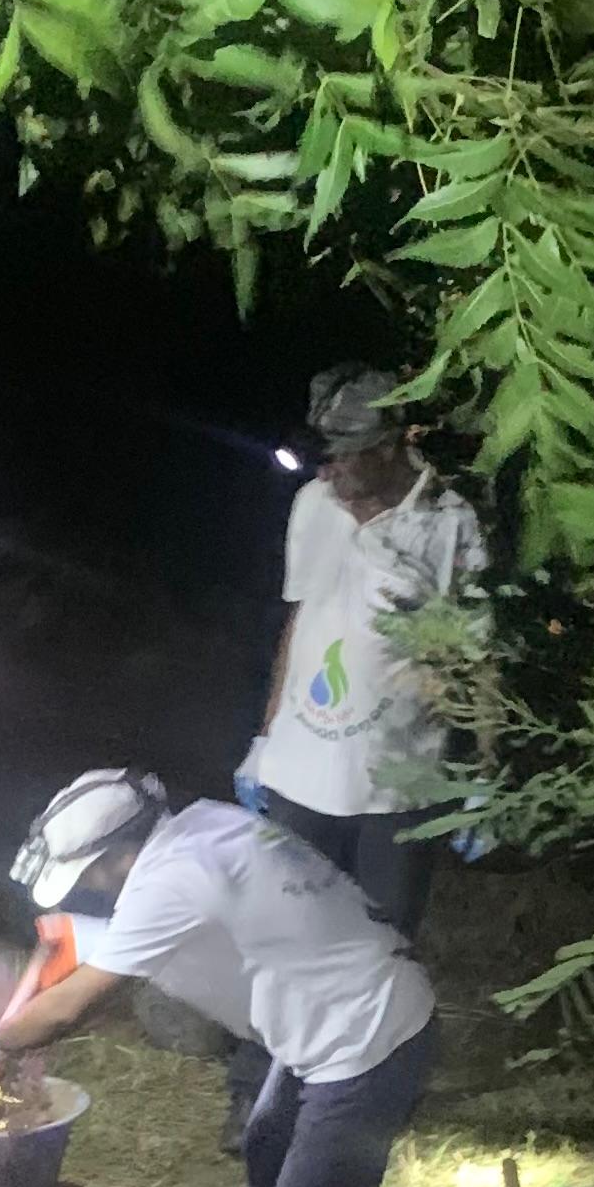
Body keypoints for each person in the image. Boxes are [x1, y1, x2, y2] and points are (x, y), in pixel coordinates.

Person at [0, 769, 437, 1187]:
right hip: (321, 1020)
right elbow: (193, 925)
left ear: (119, 857)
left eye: (88, 876)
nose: (86, 889)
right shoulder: (203, 826)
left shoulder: (172, 882)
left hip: (370, 1032)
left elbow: (68, 1008)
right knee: (267, 1146)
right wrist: (72, 942)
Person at [238, 365, 488, 942]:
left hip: (397, 785)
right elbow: (300, 620)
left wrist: (482, 772)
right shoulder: (313, 503)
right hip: (299, 776)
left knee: (382, 949)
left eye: (340, 456)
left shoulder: (449, 523)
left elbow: (475, 656)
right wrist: (265, 739)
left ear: (388, 445)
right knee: (288, 937)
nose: (326, 471)